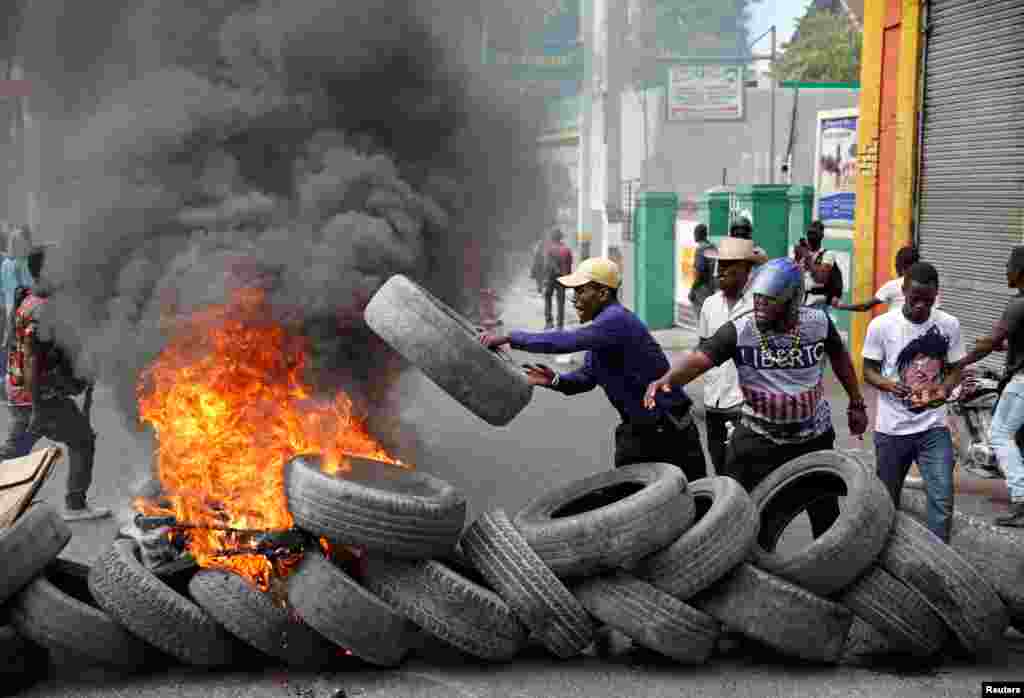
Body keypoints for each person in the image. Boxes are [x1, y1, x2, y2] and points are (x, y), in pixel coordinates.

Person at [645, 257, 868, 537]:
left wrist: (857, 402)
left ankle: (829, 572)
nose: (759, 306)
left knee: (825, 514)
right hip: (759, 436)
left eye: (769, 300)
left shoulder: (818, 323)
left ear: (790, 301)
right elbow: (700, 359)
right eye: (757, 298)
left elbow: (840, 358)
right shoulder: (741, 330)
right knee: (736, 510)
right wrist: (667, 380)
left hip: (812, 436)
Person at [479, 257, 707, 482]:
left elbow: (564, 340)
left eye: (580, 291)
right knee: (630, 501)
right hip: (640, 430)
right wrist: (556, 380)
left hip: (669, 429)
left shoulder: (616, 320)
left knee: (694, 500)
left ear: (602, 294)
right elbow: (587, 377)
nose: (574, 299)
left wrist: (509, 337)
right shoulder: (602, 334)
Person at [0, 245, 110, 521]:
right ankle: (75, 504)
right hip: (42, 398)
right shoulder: (45, 310)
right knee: (83, 441)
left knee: (14, 451)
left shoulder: (25, 298)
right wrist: (39, 405)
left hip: (19, 392)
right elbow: (37, 362)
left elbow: (13, 345)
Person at [862, 262, 965, 542]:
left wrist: (944, 388)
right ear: (903, 290)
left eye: (928, 301)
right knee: (886, 502)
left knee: (942, 498)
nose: (921, 306)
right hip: (892, 431)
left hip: (934, 427)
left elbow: (957, 368)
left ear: (936, 296)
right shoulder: (881, 326)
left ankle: (936, 561)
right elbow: (868, 370)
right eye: (914, 299)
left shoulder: (948, 325)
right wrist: (890, 385)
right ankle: (882, 559)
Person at [955, 246, 1024, 526]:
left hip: (1021, 381)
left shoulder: (1018, 303)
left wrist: (959, 362)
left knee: (1000, 434)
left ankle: (1021, 498)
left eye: (1009, 265)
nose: (1005, 270)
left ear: (1020, 271)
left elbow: (993, 340)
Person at [697, 238, 767, 473]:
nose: (720, 273)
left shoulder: (759, 307)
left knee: (742, 471)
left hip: (743, 404)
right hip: (713, 401)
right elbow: (703, 348)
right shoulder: (709, 304)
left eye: (729, 267)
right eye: (719, 266)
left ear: (747, 271)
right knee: (719, 469)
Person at [833, 246, 925, 315]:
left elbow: (865, 306)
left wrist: (842, 306)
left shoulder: (892, 285)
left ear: (900, 265)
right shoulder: (926, 285)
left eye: (896, 264)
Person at [0, 225, 36, 396]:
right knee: (14, 351)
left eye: (22, 242)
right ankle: (16, 389)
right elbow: (7, 293)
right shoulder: (7, 265)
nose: (19, 246)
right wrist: (7, 323)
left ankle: (29, 388)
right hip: (13, 311)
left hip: (30, 311)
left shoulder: (32, 262)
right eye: (15, 242)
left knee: (28, 350)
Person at [797, 221, 842, 310]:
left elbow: (820, 278)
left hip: (818, 303)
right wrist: (797, 258)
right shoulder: (802, 254)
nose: (811, 236)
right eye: (809, 233)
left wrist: (807, 258)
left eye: (814, 233)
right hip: (800, 302)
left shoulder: (827, 254)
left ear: (821, 235)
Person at [543, 227, 573, 330]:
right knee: (561, 302)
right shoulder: (567, 250)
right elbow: (569, 266)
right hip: (562, 278)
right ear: (561, 238)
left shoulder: (549, 249)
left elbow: (547, 265)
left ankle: (549, 322)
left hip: (551, 278)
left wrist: (545, 279)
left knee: (548, 298)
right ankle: (560, 325)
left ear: (552, 238)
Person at [688, 224, 716, 318]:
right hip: (713, 288)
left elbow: (699, 273)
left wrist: (692, 290)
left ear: (698, 234)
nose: (694, 235)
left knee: (702, 319)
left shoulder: (700, 250)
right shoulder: (713, 247)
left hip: (702, 289)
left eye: (695, 233)